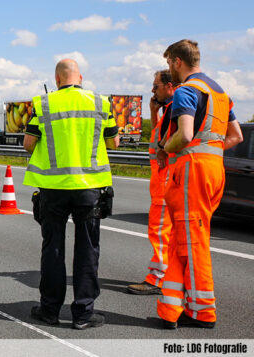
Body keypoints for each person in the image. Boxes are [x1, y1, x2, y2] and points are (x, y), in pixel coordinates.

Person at [23, 58, 119, 330]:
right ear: (81, 77)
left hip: (53, 189)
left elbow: (29, 144)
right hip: (89, 188)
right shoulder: (101, 103)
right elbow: (113, 141)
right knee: (88, 250)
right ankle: (83, 315)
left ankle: (50, 310)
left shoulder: (43, 104)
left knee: (52, 248)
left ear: (57, 79)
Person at [156, 39, 243, 329]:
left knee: (192, 243)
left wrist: (167, 148)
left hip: (192, 170)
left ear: (178, 62)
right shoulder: (220, 93)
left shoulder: (186, 91)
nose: (170, 70)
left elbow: (184, 134)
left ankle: (203, 312)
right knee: (188, 238)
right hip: (214, 169)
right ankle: (173, 309)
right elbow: (236, 137)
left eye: (170, 64)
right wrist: (211, 150)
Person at [127, 69, 178, 295]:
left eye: (155, 86)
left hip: (166, 183)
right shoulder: (168, 110)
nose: (152, 90)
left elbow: (166, 144)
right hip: (165, 181)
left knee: (159, 232)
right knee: (170, 234)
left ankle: (157, 278)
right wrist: (153, 112)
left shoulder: (176, 108)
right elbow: (159, 138)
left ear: (169, 86)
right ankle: (172, 275)